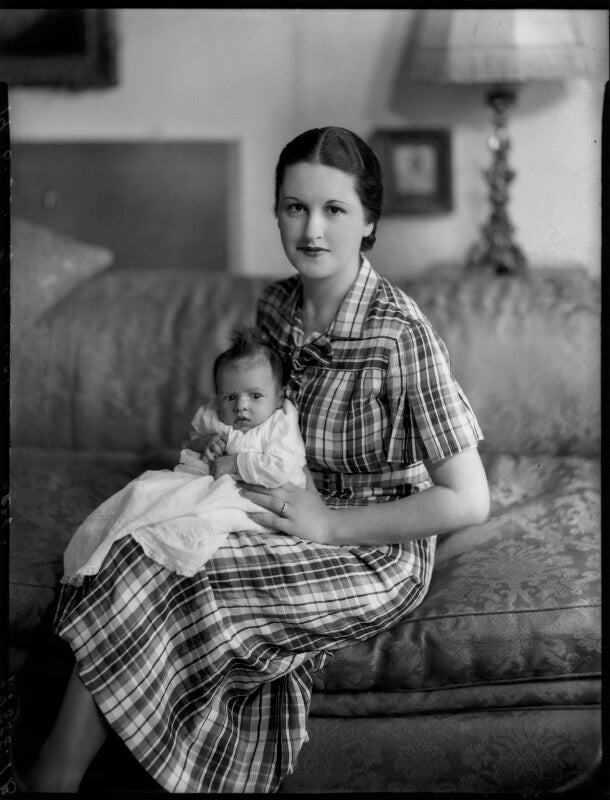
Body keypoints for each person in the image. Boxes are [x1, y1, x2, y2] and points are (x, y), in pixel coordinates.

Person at [21, 126, 489, 794]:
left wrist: (328, 525)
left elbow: (468, 499)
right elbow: (262, 419)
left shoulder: (400, 334)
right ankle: (61, 768)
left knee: (184, 578)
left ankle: (56, 777)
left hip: (370, 545)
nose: (313, 229)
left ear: (370, 221)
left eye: (335, 210)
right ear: (276, 212)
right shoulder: (276, 305)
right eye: (295, 207)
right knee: (134, 543)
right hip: (272, 502)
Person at [60, 327, 307, 584]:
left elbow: (281, 467)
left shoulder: (279, 424)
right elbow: (189, 444)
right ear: (218, 396)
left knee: (193, 520)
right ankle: (100, 546)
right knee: (143, 489)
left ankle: (160, 552)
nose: (241, 405)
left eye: (255, 396)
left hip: (254, 498)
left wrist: (234, 462)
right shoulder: (212, 415)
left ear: (279, 397)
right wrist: (204, 442)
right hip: (199, 481)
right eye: (230, 397)